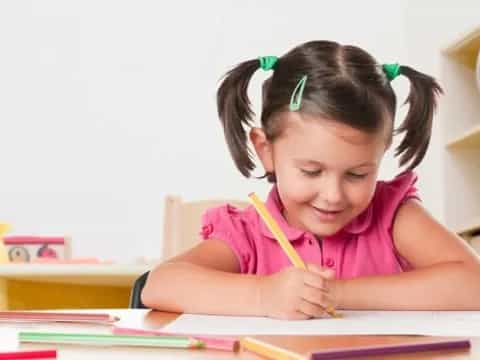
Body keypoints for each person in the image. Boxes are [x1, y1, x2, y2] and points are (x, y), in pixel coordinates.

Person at [142, 40, 480, 319]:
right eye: (311, 171)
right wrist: (264, 296)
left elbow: (473, 283)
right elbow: (160, 284)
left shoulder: (393, 216)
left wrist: (337, 293)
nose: (333, 195)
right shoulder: (247, 232)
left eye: (358, 174)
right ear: (266, 149)